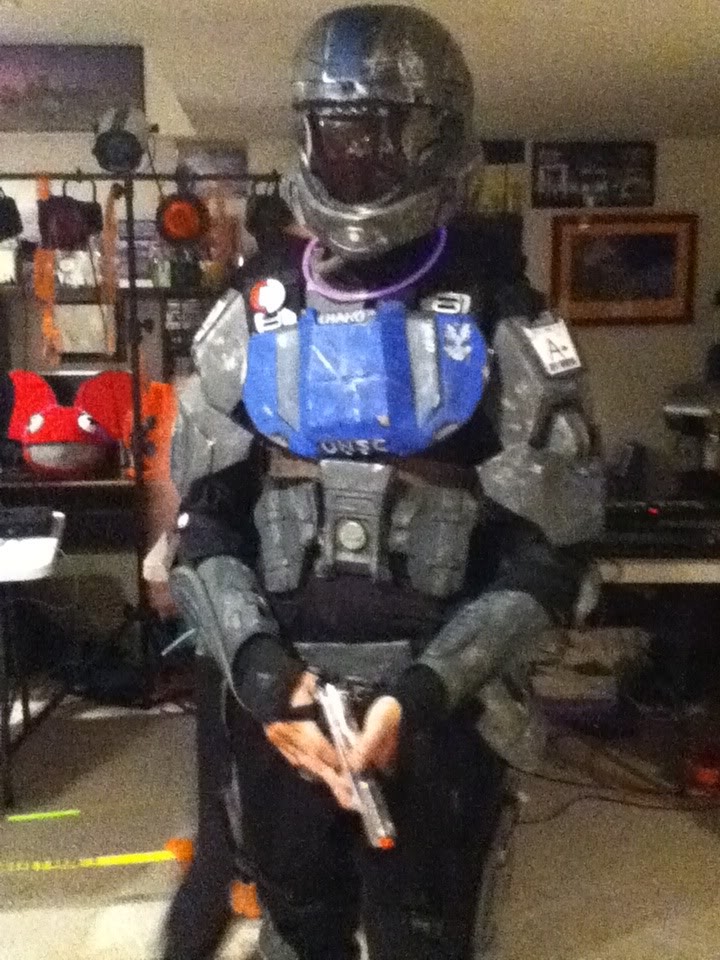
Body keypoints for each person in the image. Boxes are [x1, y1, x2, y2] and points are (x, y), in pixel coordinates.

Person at [164, 5, 604, 959]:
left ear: (435, 136)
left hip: (440, 710)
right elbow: (203, 530)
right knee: (297, 929)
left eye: (378, 133)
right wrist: (266, 678)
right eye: (334, 132)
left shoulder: (502, 317)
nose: (354, 158)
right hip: (283, 712)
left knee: (425, 938)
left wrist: (424, 691)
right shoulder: (255, 311)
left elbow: (553, 557)